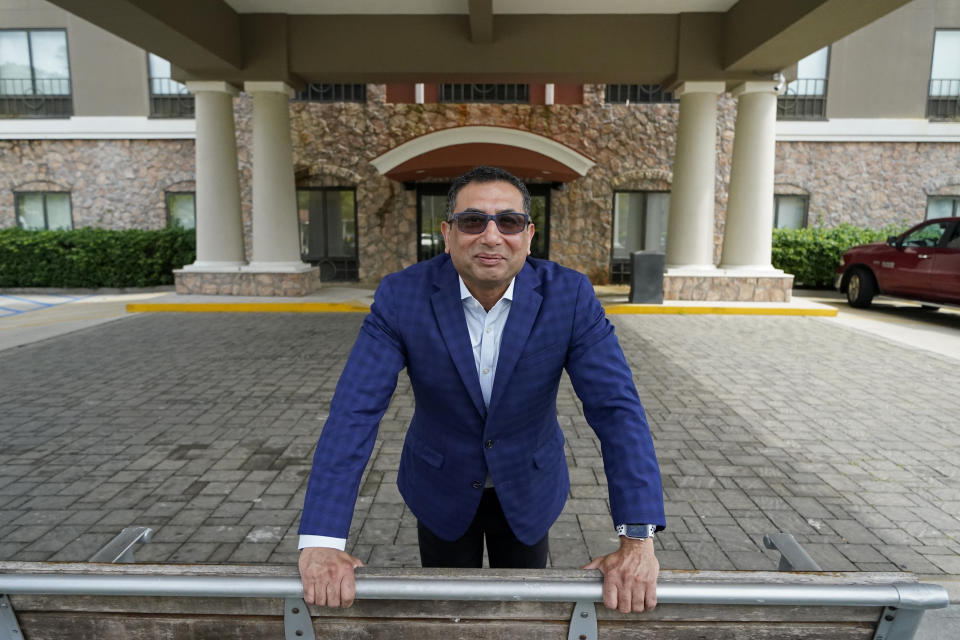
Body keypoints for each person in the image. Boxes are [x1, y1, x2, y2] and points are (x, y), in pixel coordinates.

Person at [298, 166, 665, 613]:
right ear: (447, 233)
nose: (491, 237)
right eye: (473, 221)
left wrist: (637, 538)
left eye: (508, 222)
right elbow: (354, 411)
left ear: (529, 235)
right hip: (439, 483)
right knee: (448, 610)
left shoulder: (569, 296)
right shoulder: (402, 296)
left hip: (530, 484)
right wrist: (321, 540)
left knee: (524, 611)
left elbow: (617, 411)